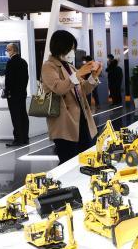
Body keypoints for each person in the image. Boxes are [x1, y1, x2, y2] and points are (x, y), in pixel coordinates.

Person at [41, 30, 101, 164]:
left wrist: (93, 76)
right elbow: (59, 88)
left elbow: (83, 89)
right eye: (71, 48)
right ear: (61, 47)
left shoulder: (70, 67)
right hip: (64, 122)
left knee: (85, 158)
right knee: (68, 161)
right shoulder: (49, 66)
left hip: (82, 119)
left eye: (73, 49)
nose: (73, 52)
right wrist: (78, 74)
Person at [3, 42, 29, 146]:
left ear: (13, 50)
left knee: (15, 116)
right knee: (23, 115)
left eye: (7, 49)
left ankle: (18, 139)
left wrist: (7, 92)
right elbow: (26, 78)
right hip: (22, 93)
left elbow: (8, 80)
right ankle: (25, 138)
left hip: (13, 95)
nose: (6, 51)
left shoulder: (10, 62)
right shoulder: (23, 62)